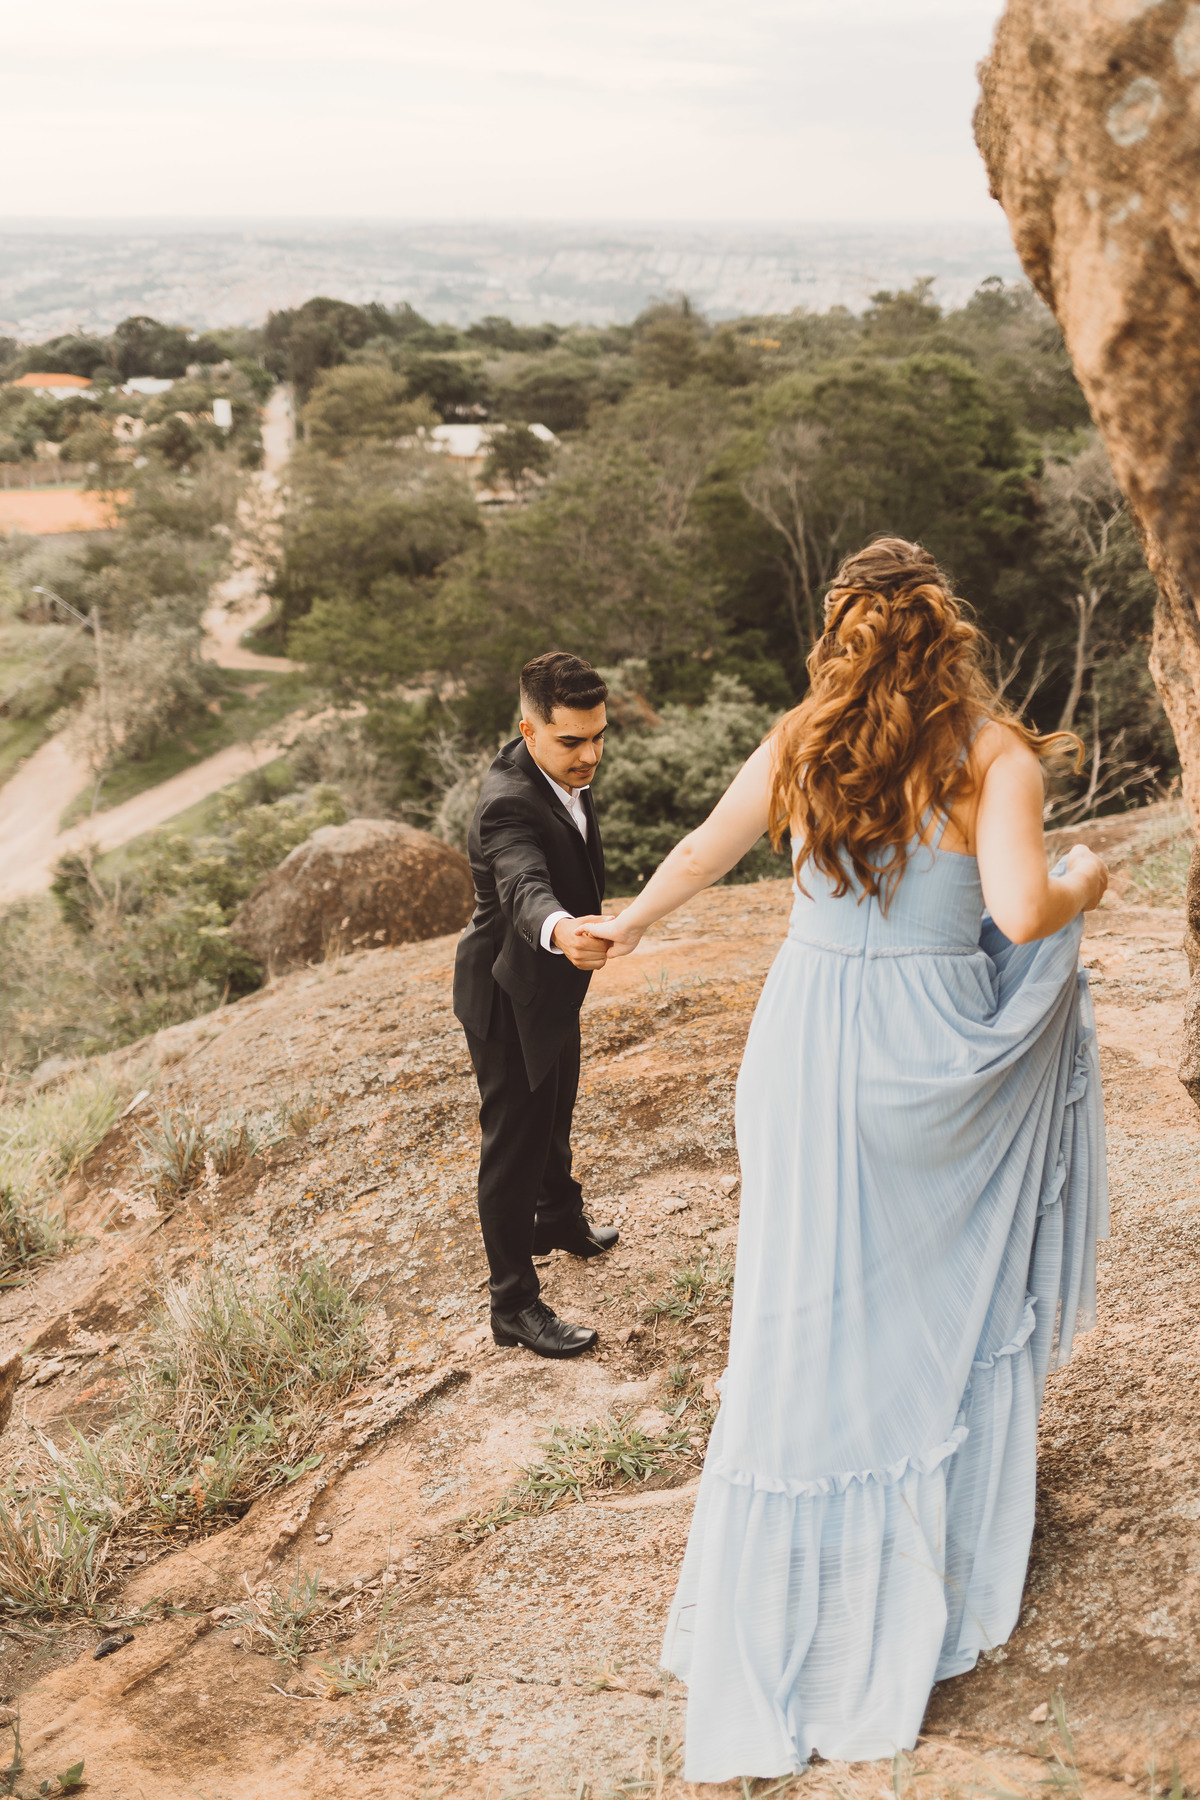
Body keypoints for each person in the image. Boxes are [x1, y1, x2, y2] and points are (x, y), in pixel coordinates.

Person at [586, 539, 1109, 1780]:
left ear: (842, 632)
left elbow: (705, 852)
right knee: (921, 1299)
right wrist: (1089, 872)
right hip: (924, 1047)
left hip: (803, 1038)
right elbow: (1026, 915)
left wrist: (627, 924)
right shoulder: (996, 758)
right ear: (951, 632)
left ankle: (780, 1590)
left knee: (795, 1307)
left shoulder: (805, 741)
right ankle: (915, 1559)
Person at [453, 651, 618, 1360]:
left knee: (556, 1107)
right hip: (507, 991)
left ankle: (558, 1217)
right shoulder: (506, 803)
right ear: (528, 729)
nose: (590, 756)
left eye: (600, 736)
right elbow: (524, 885)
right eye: (571, 742)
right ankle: (513, 1304)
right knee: (513, 1144)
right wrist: (563, 929)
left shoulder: (559, 765)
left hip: (552, 982)